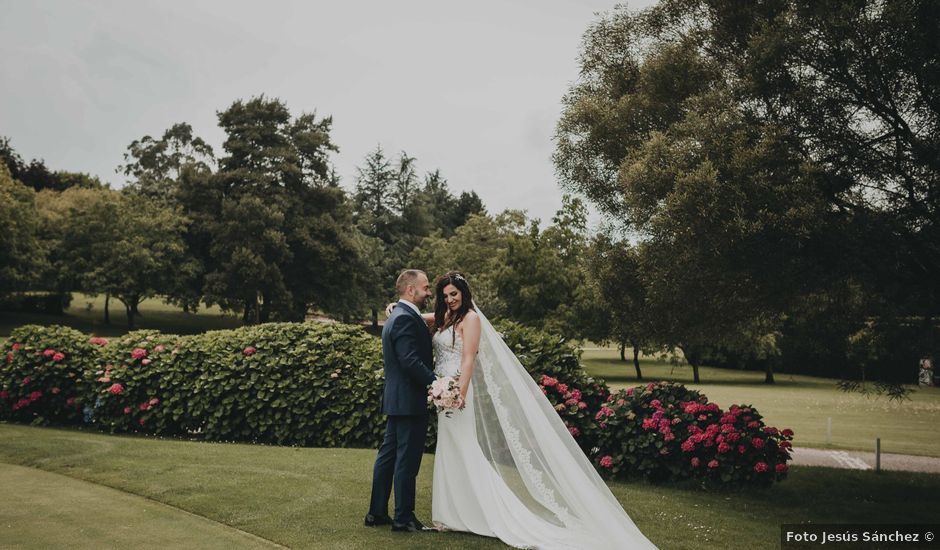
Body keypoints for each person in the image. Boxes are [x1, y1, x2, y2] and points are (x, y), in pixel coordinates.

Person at [388, 271, 658, 549]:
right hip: (442, 393)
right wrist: (398, 308)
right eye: (445, 296)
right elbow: (426, 318)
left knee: (465, 448)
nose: (449, 299)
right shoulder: (447, 318)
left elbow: (468, 359)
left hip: (456, 393)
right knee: (450, 449)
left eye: (453, 294)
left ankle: (485, 513)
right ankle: (453, 514)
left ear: (464, 293)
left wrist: (460, 393)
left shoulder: (472, 319)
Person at [365, 269, 436, 533]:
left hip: (397, 398)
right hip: (409, 400)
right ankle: (403, 517)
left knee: (388, 456)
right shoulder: (405, 318)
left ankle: (376, 512)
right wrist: (435, 382)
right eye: (426, 288)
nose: (429, 292)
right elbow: (409, 361)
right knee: (407, 459)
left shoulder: (399, 315)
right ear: (411, 290)